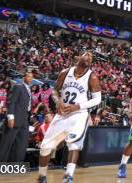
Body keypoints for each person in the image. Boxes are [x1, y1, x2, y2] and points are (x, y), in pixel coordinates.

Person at [37, 52, 101, 183]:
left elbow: (97, 99)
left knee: (74, 145)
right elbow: (54, 91)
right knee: (45, 147)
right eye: (87, 55)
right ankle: (42, 176)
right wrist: (58, 101)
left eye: (91, 57)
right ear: (79, 57)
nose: (89, 58)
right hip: (62, 114)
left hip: (79, 115)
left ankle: (68, 176)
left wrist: (78, 106)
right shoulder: (65, 72)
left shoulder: (92, 77)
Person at [0, 70, 33, 162]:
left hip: (25, 118)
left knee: (21, 143)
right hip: (15, 118)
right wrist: (10, 117)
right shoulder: (18, 87)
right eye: (28, 76)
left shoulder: (29, 89)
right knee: (7, 143)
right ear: (24, 78)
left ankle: (17, 164)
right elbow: (12, 102)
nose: (30, 78)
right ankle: (0, 165)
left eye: (31, 77)